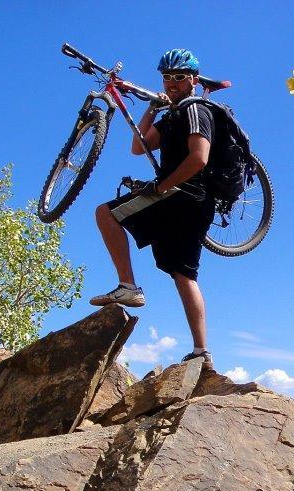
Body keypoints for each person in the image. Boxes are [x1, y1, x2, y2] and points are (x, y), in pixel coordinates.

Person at [90, 48, 215, 365]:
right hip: (192, 203)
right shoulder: (173, 116)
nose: (172, 82)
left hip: (182, 192)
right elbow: (138, 146)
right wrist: (152, 108)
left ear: (193, 80)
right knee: (182, 273)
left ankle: (128, 286)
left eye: (179, 76)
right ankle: (202, 352)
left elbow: (199, 157)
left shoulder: (195, 111)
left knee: (106, 214)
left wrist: (163, 185)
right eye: (167, 77)